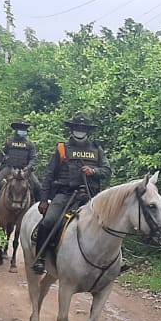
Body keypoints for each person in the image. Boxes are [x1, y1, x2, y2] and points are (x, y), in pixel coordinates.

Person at [31, 112, 110, 275]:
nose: (79, 130)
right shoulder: (62, 148)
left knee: (109, 223)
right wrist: (44, 200)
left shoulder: (97, 149)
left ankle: (112, 262)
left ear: (88, 130)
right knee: (49, 222)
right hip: (65, 194)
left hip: (90, 196)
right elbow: (49, 175)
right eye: (77, 127)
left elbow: (107, 170)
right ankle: (40, 259)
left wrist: (93, 171)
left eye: (83, 128)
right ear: (72, 129)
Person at [0, 121, 41, 207]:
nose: (22, 132)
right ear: (16, 130)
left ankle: (37, 208)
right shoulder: (8, 141)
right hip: (9, 167)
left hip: (25, 169)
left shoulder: (30, 144)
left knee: (38, 186)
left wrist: (28, 167)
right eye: (20, 130)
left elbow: (33, 158)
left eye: (24, 130)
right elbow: (1, 154)